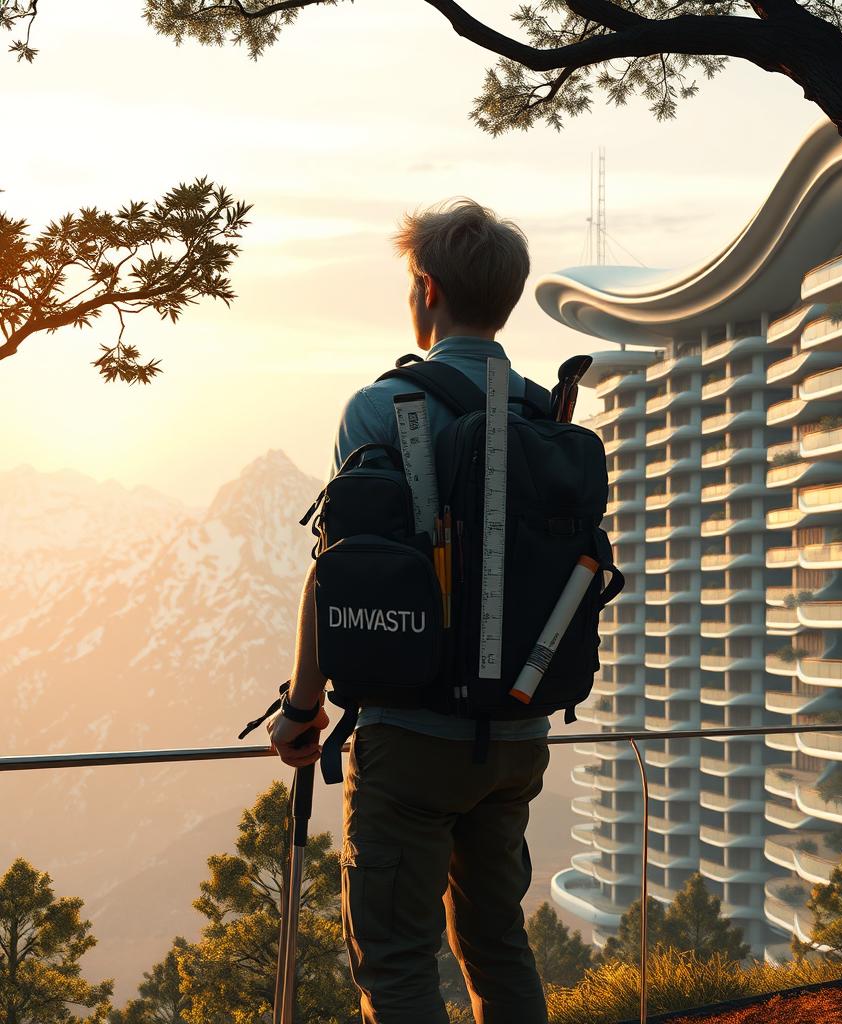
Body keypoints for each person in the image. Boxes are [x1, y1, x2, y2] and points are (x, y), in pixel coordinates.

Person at [268, 198, 551, 1024]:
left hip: (410, 732)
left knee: (394, 959)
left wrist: (301, 709)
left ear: (426, 290)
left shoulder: (378, 408)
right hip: (517, 730)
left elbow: (339, 572)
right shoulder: (539, 410)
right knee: (498, 943)